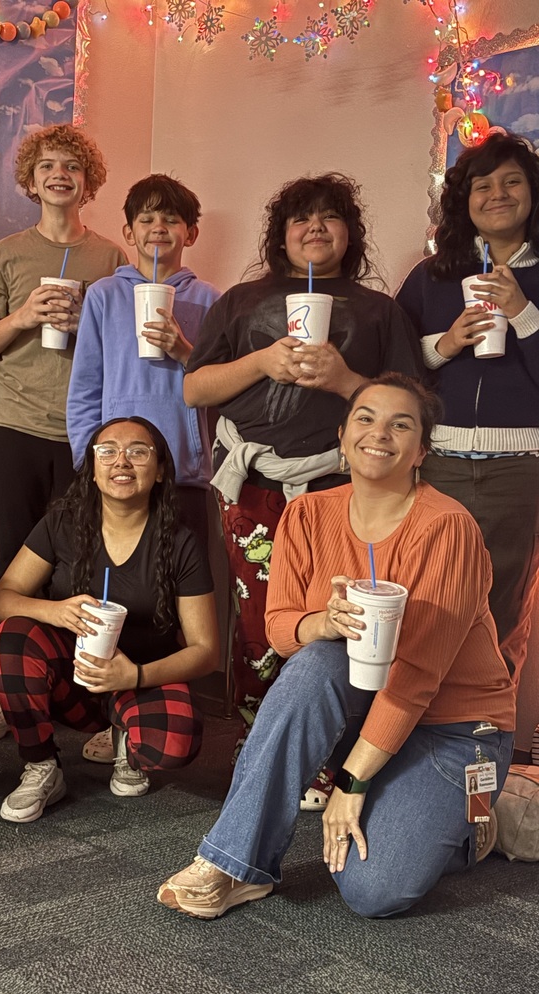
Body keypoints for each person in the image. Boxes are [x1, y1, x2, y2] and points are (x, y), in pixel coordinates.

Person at [158, 374, 515, 920]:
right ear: (343, 438)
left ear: (422, 450)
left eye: (402, 424)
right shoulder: (307, 513)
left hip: (454, 726)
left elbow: (416, 675)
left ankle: (473, 820)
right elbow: (278, 628)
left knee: (374, 892)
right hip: (367, 710)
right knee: (317, 661)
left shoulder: (448, 528)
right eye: (366, 419)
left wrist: (351, 781)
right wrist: (320, 621)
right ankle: (235, 864)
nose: (381, 434)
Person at [184, 174, 424, 722]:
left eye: (330, 217)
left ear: (350, 233)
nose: (315, 227)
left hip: (343, 487)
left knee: (333, 608)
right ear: (281, 236)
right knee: (257, 614)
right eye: (301, 219)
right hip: (252, 483)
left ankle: (324, 739)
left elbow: (410, 405)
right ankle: (257, 729)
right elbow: (194, 388)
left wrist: (344, 381)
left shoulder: (379, 310)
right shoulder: (242, 302)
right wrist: (261, 362)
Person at [0, 124, 127, 744]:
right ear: (30, 181)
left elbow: (121, 352)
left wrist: (87, 325)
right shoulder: (8, 253)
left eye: (73, 167)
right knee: (11, 559)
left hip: (85, 432)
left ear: (89, 182)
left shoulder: (110, 257)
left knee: (83, 561)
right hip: (16, 428)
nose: (60, 175)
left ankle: (77, 687)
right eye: (48, 167)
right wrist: (25, 315)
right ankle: (2, 687)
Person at [0, 416, 218, 822]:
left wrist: (136, 677)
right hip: (73, 680)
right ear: (93, 469)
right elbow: (0, 601)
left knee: (173, 742)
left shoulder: (180, 542)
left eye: (138, 452)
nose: (121, 462)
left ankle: (126, 739)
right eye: (107, 451)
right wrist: (54, 611)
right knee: (11, 639)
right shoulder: (63, 523)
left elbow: (206, 651)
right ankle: (41, 765)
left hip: (139, 677)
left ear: (161, 469)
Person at [395, 131, 539, 762]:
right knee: (428, 600)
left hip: (519, 469)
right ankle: (412, 734)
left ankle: (483, 742)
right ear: (464, 199)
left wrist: (525, 312)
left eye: (511, 181)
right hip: (442, 464)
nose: (497, 194)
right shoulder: (433, 275)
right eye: (482, 184)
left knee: (498, 606)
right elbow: (397, 369)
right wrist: (447, 342)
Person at [67, 173, 221, 537]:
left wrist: (184, 350)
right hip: (116, 470)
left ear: (191, 233)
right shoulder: (104, 295)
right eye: (147, 219)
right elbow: (85, 387)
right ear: (129, 233)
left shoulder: (211, 299)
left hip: (183, 468)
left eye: (171, 219)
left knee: (185, 578)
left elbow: (220, 386)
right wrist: (88, 459)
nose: (158, 228)